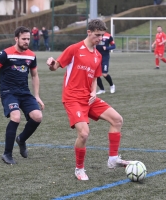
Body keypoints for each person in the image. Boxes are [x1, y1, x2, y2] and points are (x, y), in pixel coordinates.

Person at [46, 19, 131, 181]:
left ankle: (113, 159)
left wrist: (93, 92)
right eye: (97, 35)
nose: (99, 39)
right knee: (84, 134)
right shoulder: (74, 49)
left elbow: (94, 78)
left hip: (88, 98)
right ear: (89, 32)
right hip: (72, 98)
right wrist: (51, 63)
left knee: (117, 120)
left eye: (102, 36)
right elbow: (56, 66)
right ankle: (79, 169)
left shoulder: (98, 55)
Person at [0, 26, 44, 164]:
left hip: (24, 92)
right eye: (23, 39)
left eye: (28, 39)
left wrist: (36, 95)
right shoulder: (5, 54)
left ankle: (21, 139)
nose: (26, 41)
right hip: (8, 92)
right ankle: (7, 154)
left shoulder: (31, 55)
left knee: (37, 116)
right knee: (16, 116)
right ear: (16, 39)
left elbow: (35, 76)